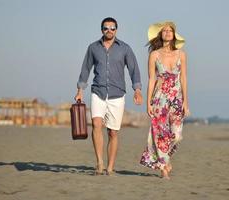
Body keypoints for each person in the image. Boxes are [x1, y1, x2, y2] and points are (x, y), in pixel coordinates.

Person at [75, 17, 143, 175]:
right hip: (98, 92)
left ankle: (110, 167)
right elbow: (85, 69)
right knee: (97, 125)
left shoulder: (125, 48)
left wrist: (137, 90)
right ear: (101, 30)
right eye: (106, 28)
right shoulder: (93, 48)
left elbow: (134, 70)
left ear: (116, 30)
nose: (109, 31)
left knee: (113, 132)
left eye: (112, 28)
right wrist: (80, 90)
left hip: (117, 94)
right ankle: (99, 162)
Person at [139, 21, 190, 179]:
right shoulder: (154, 55)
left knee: (176, 134)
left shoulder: (181, 54)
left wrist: (186, 102)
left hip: (177, 98)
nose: (167, 33)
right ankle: (163, 168)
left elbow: (183, 79)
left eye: (170, 31)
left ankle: (166, 159)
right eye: (164, 31)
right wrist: (148, 103)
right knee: (160, 133)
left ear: (174, 34)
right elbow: (151, 79)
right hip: (159, 98)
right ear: (160, 34)